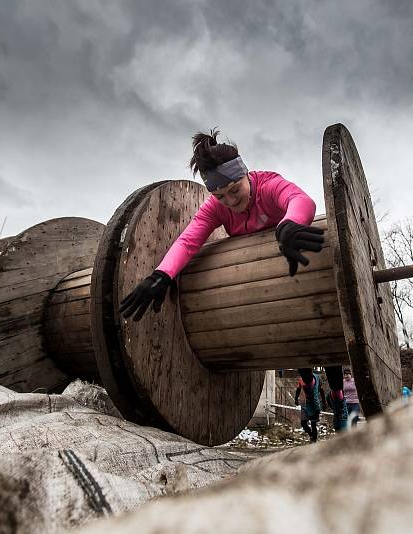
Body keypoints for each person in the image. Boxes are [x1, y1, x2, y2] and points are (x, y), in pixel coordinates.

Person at [119, 130, 349, 429]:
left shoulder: (267, 185)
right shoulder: (218, 207)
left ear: (245, 174)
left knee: (323, 340)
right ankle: (309, 386)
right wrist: (162, 274)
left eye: (234, 190)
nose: (230, 200)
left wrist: (290, 225)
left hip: (299, 263)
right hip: (263, 282)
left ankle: (340, 400)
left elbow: (299, 200)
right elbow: (189, 240)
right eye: (220, 195)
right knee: (292, 340)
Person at [294, 373, 326, 443]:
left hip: (314, 403)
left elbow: (321, 390)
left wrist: (324, 402)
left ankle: (314, 440)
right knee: (303, 423)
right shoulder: (301, 378)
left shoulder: (317, 378)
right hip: (304, 404)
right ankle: (311, 435)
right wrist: (296, 398)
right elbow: (298, 389)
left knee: (313, 424)